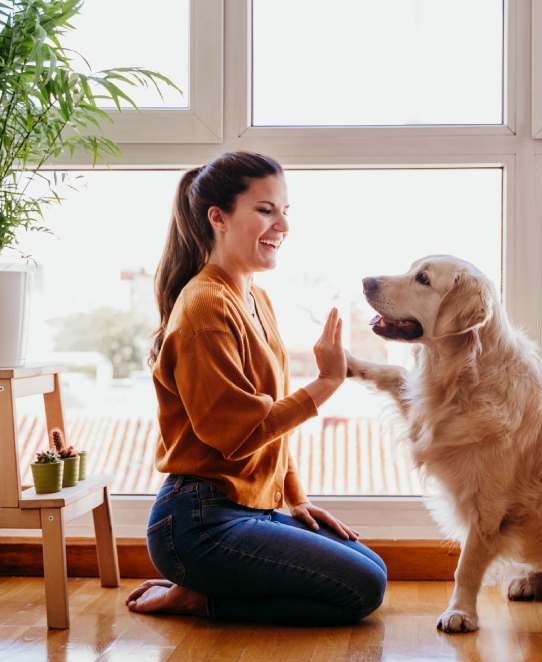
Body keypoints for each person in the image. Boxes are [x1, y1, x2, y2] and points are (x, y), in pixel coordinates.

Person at [126, 151, 387, 625]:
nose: (281, 225)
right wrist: (327, 382)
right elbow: (238, 434)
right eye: (266, 210)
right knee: (362, 589)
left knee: (372, 568)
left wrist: (295, 498)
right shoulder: (204, 308)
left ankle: (207, 589)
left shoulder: (254, 297)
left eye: (285, 211)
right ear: (218, 218)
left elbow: (270, 429)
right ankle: (198, 598)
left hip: (250, 507)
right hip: (197, 521)